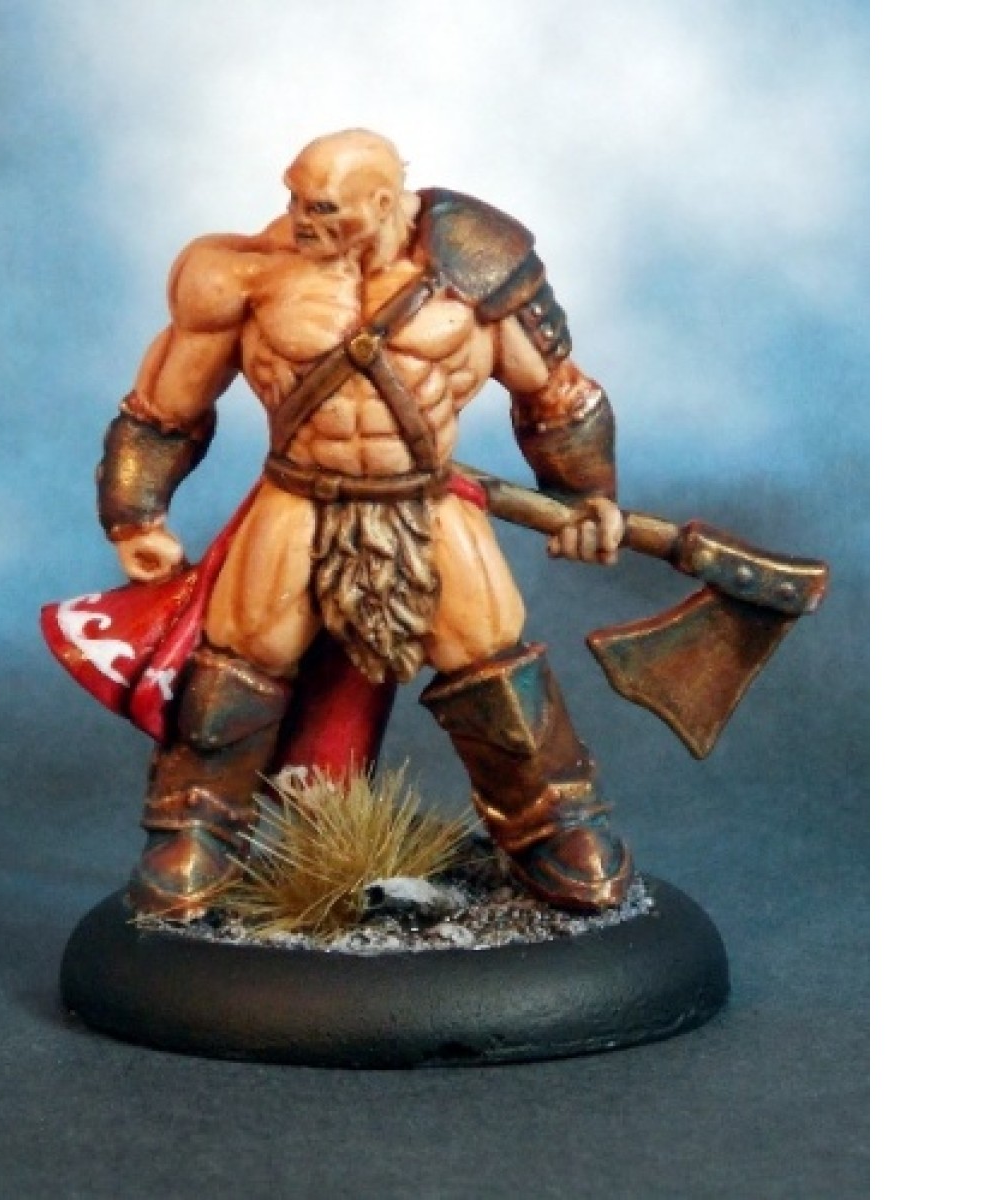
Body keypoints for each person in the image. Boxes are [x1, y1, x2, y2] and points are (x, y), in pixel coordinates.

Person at [96, 129, 632, 920]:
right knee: (239, 659)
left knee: (489, 654)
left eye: (321, 207)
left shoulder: (479, 272)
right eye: (293, 198)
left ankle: (553, 822)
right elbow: (166, 404)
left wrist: (586, 494)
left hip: (426, 500)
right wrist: (135, 512)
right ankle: (196, 830)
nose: (298, 219)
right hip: (299, 497)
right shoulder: (241, 276)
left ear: (383, 203)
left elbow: (554, 392)